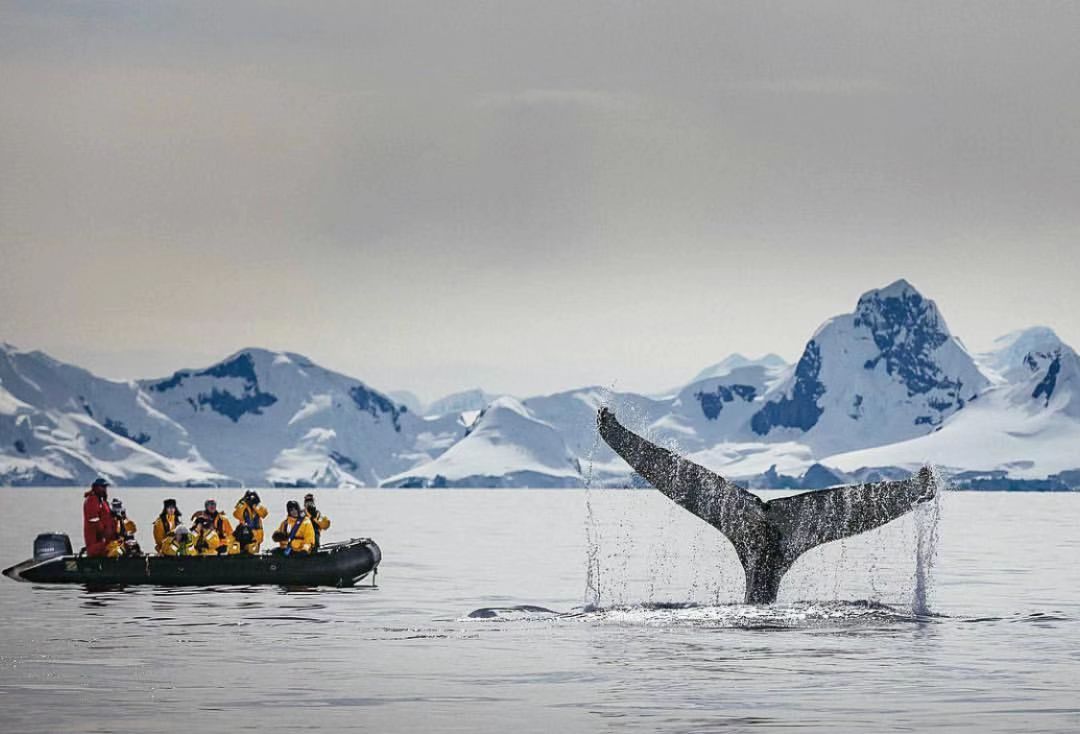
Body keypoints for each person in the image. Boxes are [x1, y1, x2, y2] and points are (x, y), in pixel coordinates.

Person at [82, 477, 117, 558]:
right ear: (96, 487)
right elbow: (94, 519)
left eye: (105, 487)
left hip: (104, 541)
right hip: (95, 545)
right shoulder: (92, 500)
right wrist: (105, 532)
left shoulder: (102, 501)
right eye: (102, 487)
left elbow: (108, 517)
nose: (104, 489)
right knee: (113, 548)